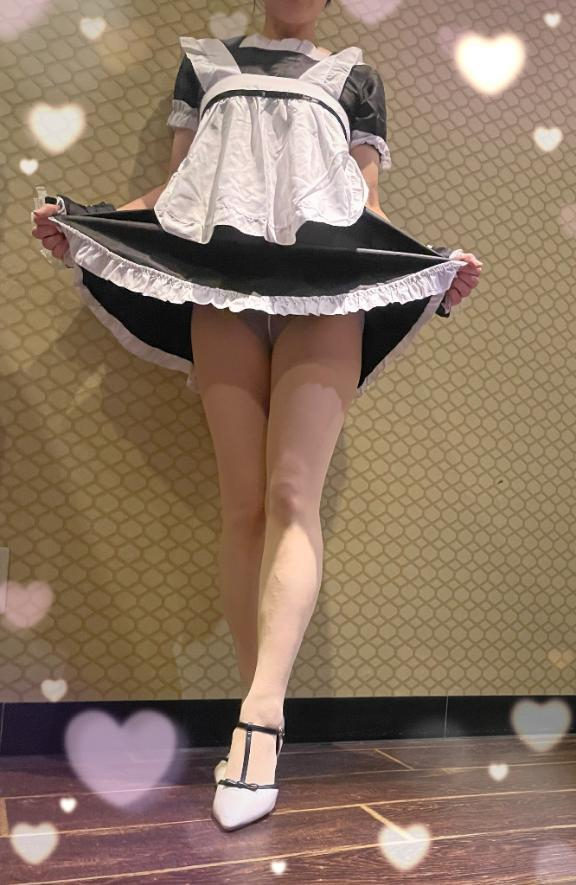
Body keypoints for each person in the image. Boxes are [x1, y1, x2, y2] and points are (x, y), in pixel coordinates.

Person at [32, 0, 482, 831]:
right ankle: (257, 709)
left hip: (330, 286)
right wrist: (91, 226)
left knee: (290, 495)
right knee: (243, 504)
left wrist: (428, 269)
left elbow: (366, 203)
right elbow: (178, 191)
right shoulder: (206, 63)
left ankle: (259, 722)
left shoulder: (354, 76)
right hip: (221, 282)